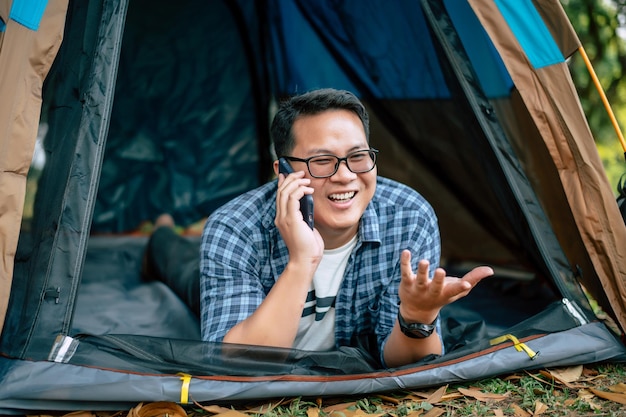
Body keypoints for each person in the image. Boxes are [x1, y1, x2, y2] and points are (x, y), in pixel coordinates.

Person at [144, 88, 493, 368]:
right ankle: (161, 231)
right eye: (321, 161)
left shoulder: (407, 216)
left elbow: (403, 361)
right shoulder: (235, 227)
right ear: (282, 171)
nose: (345, 175)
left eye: (358, 156)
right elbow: (240, 365)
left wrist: (417, 317)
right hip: (232, 294)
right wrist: (301, 262)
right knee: (176, 263)